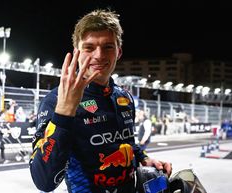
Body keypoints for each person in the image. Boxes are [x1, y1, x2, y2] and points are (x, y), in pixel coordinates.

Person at [29, 9, 172, 193]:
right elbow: (43, 181)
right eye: (89, 48)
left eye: (108, 47)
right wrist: (64, 112)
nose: (99, 55)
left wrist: (144, 158)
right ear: (77, 52)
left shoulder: (124, 97)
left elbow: (127, 143)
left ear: (118, 52)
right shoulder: (56, 100)